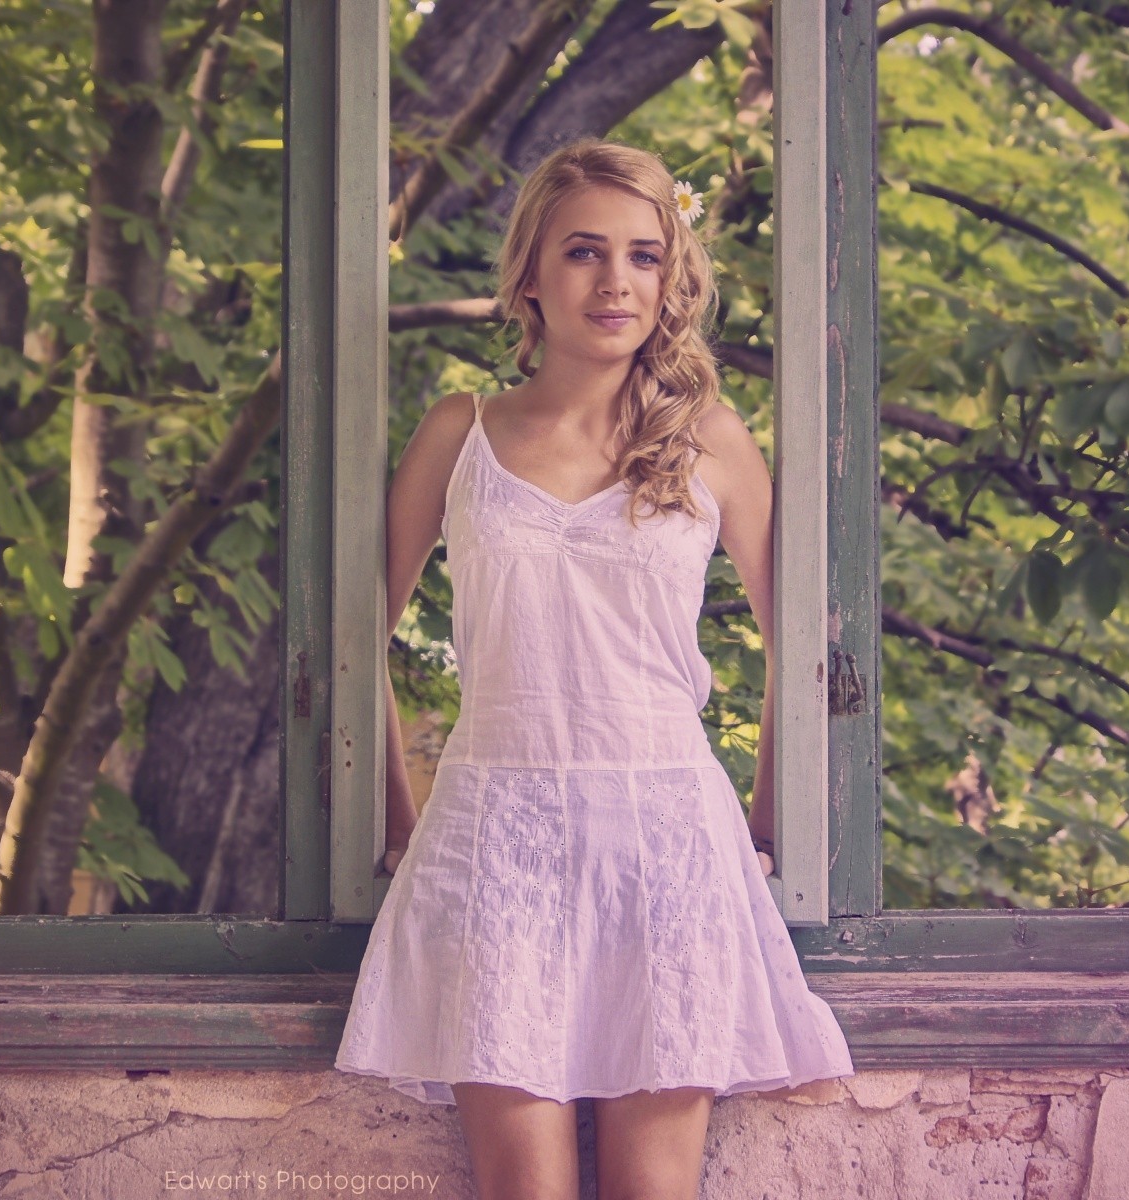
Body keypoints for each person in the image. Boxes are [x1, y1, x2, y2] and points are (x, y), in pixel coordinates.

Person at [333, 138, 855, 1200]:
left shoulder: (709, 439)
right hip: (497, 844)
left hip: (668, 844)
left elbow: (798, 652)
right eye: (584, 252)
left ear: (671, 279)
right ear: (530, 273)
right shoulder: (458, 434)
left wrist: (764, 823)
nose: (616, 281)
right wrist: (397, 818)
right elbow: (353, 647)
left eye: (644, 256)